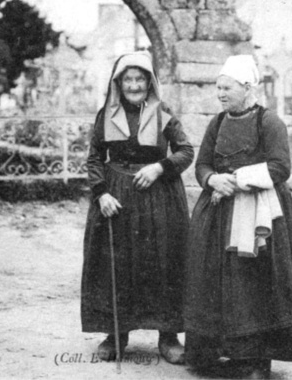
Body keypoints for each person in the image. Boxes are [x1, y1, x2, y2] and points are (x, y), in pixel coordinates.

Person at [184, 55, 292, 379]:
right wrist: (212, 179)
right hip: (218, 212)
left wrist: (237, 180)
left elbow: (280, 167)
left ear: (246, 88)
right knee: (213, 279)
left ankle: (256, 359)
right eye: (218, 87)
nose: (220, 93)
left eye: (226, 87)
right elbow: (202, 165)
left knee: (254, 283)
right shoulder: (217, 123)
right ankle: (213, 352)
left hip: (260, 214)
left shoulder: (269, 123)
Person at [81, 52, 194, 364]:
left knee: (163, 261)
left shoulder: (163, 114)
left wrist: (159, 167)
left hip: (159, 197)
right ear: (119, 83)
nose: (133, 85)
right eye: (127, 79)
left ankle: (168, 335)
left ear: (149, 82)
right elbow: (94, 158)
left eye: (139, 79)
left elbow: (186, 151)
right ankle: (115, 334)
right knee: (115, 263)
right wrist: (101, 193)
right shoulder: (106, 114)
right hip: (117, 198)